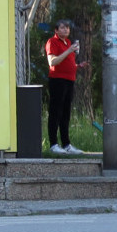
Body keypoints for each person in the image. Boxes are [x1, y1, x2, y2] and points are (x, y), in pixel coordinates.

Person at [45, 18, 88, 155]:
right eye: (63, 28)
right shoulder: (52, 42)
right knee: (55, 112)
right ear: (56, 30)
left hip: (69, 80)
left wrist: (77, 66)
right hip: (57, 81)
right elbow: (53, 62)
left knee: (66, 113)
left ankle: (66, 144)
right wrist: (69, 51)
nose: (66, 30)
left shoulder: (68, 42)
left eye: (68, 28)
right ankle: (53, 144)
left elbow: (67, 63)